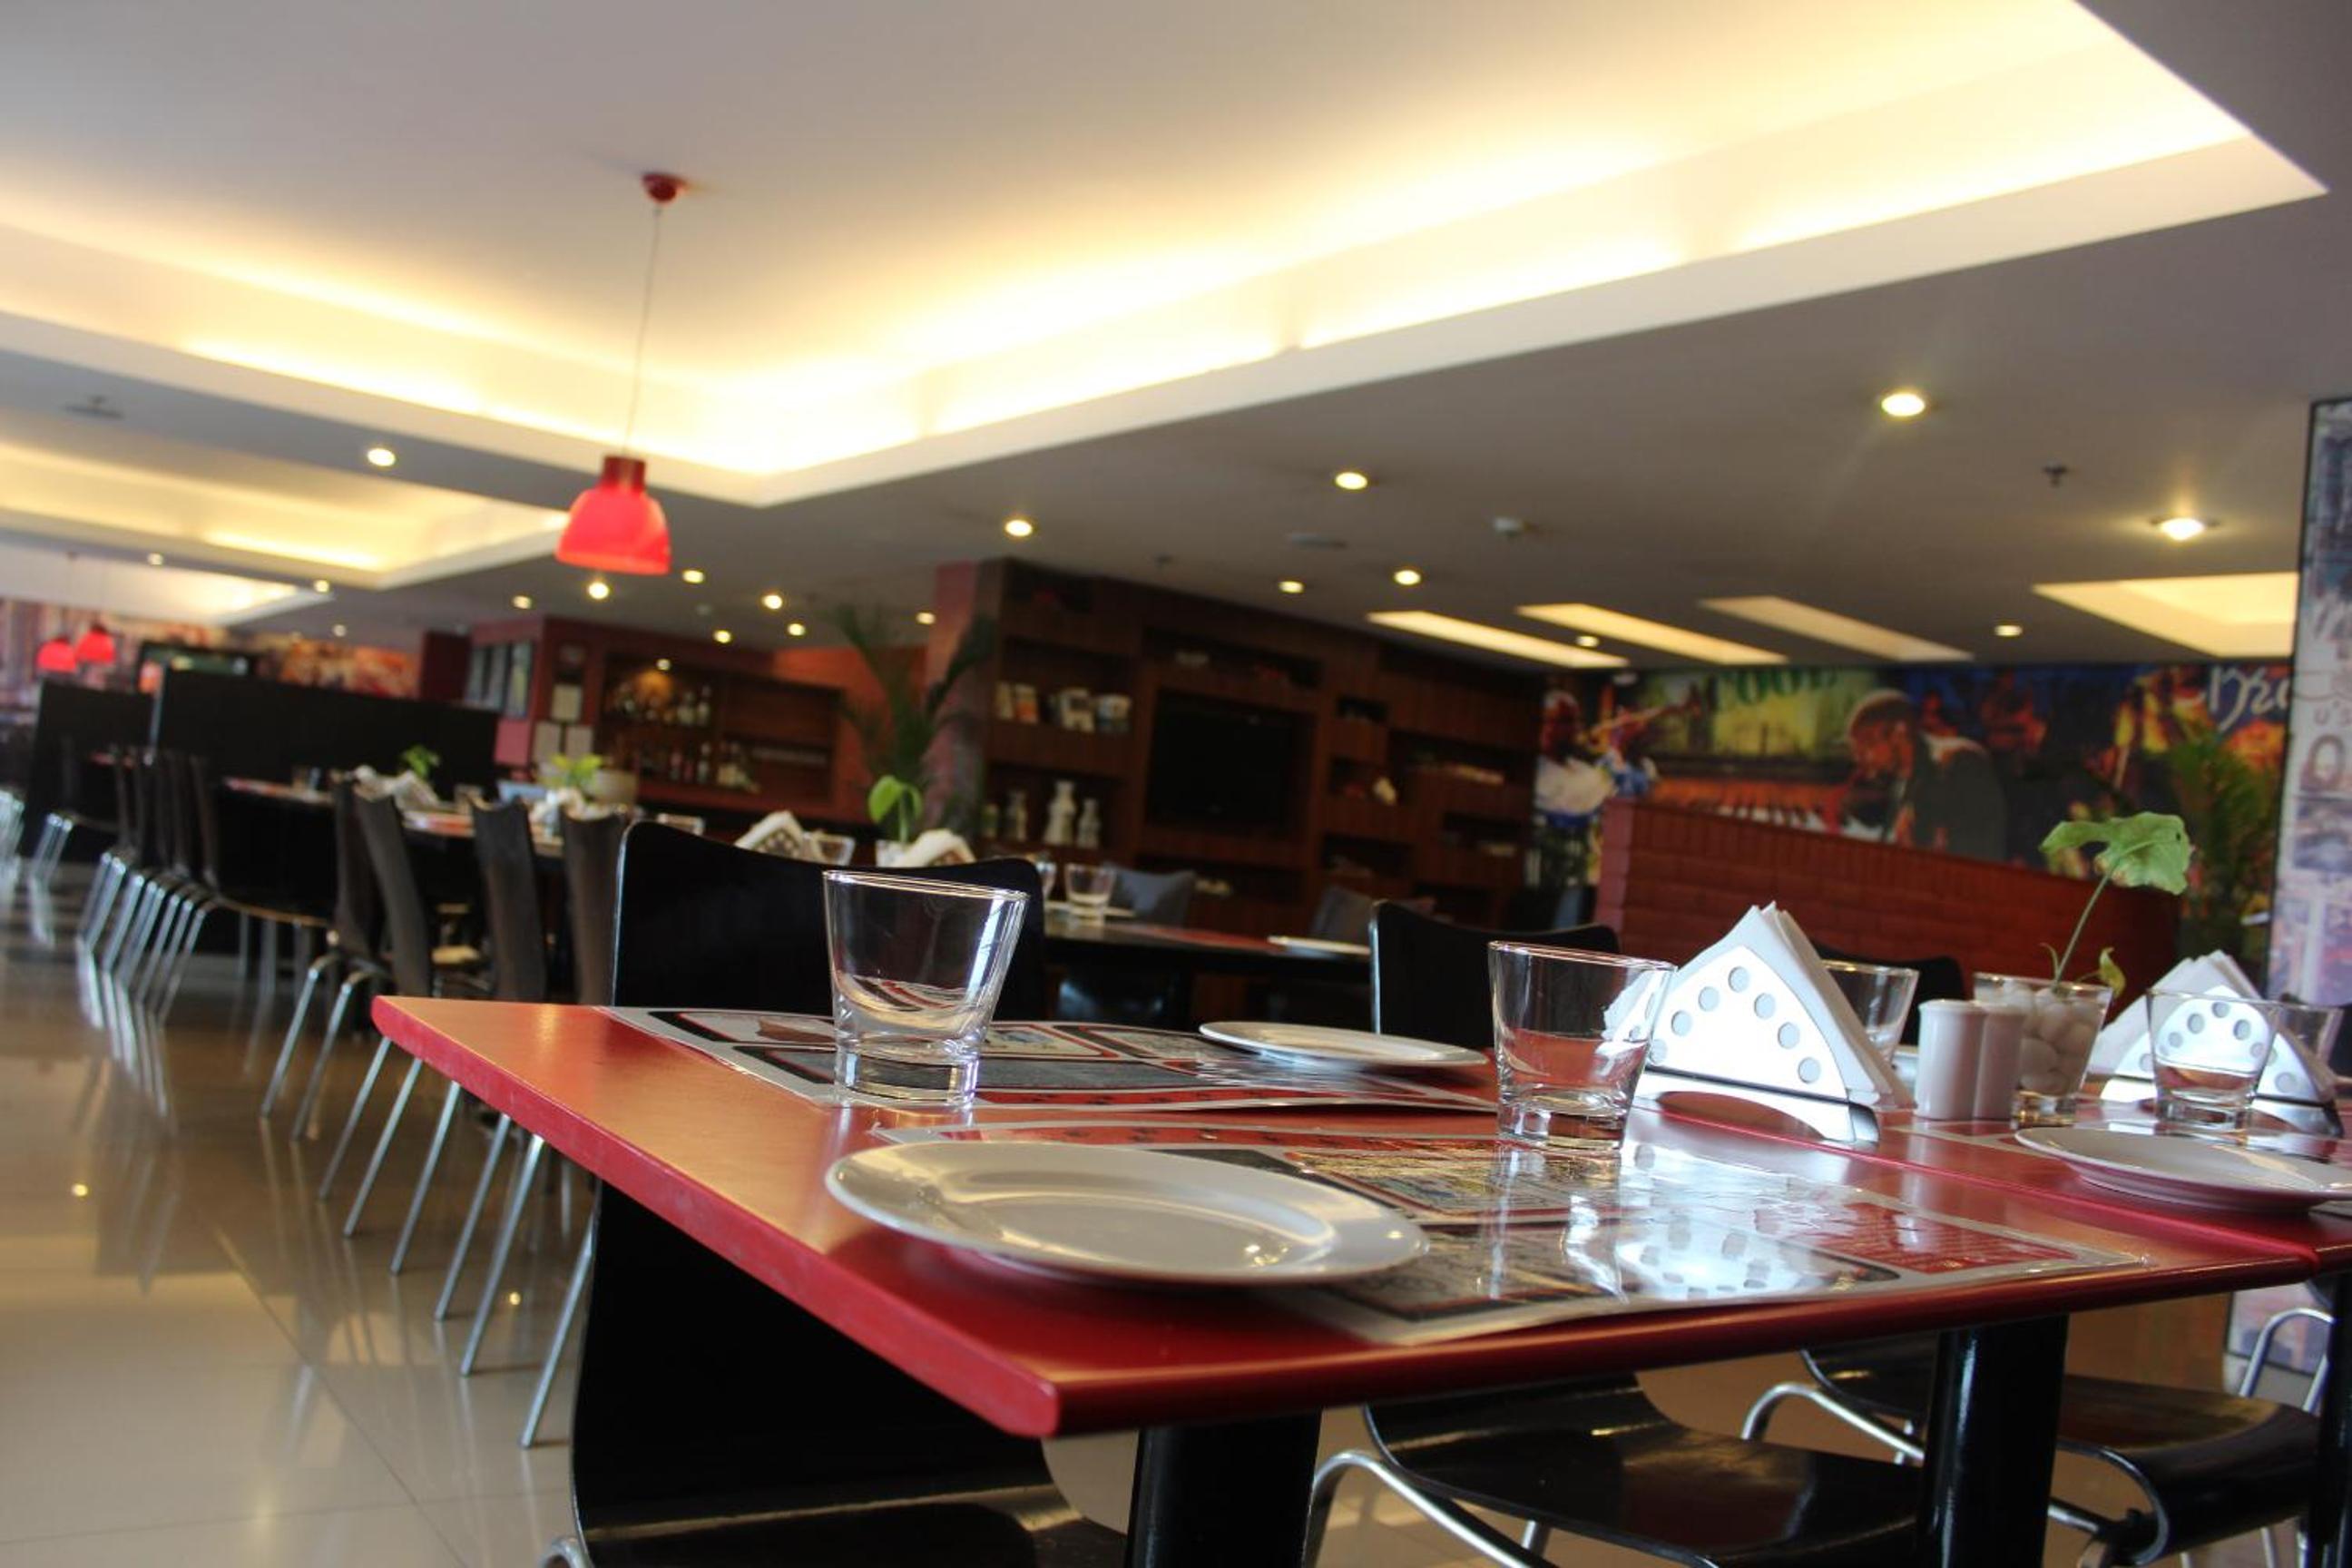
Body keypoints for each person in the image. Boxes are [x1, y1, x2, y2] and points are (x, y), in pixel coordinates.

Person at [1842, 689, 2005, 860]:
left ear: (1899, 732)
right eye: (1857, 749)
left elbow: (1971, 853)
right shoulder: (1901, 785)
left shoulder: (1958, 762)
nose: (1860, 757)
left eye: (1868, 743)